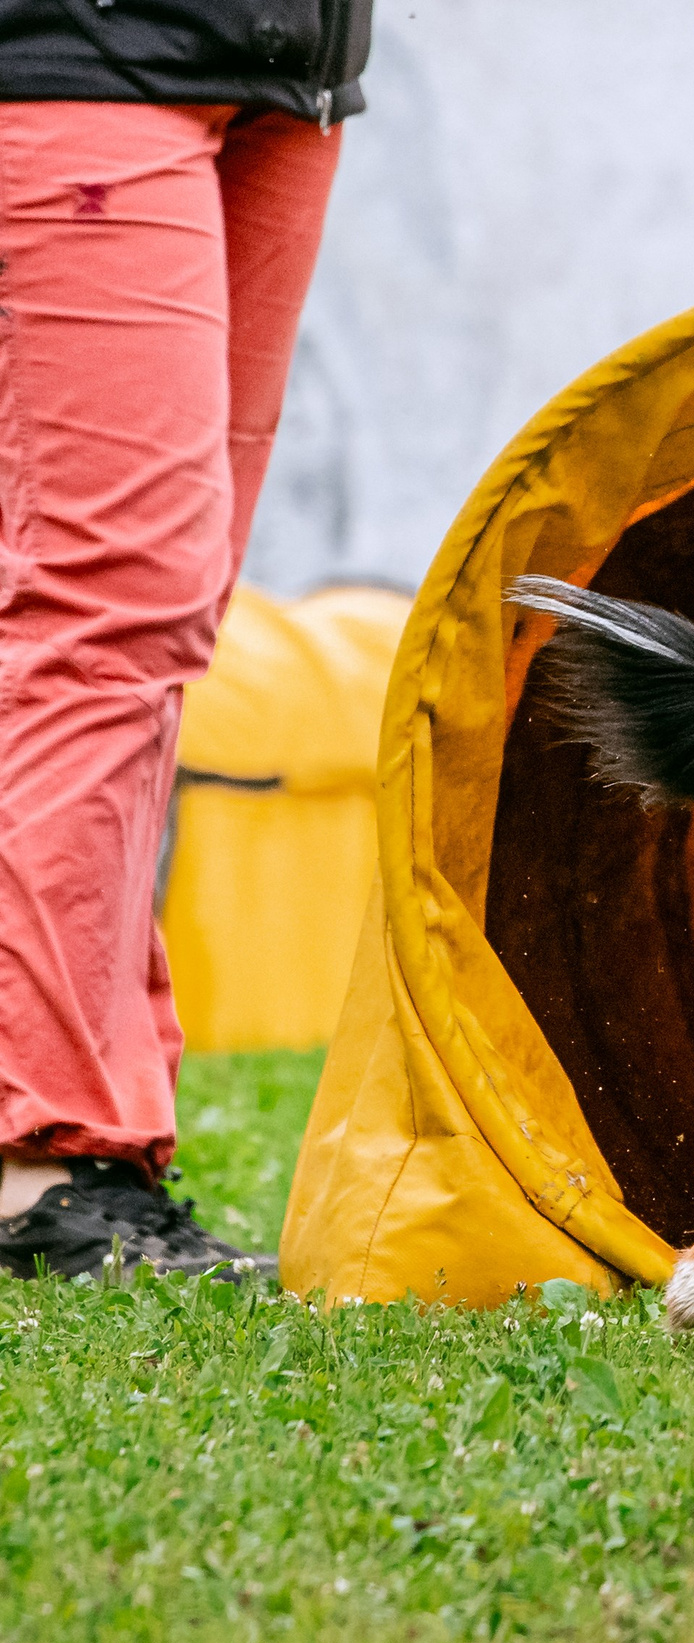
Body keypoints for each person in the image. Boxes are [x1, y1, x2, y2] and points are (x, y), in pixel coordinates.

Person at [0, 2, 370, 1279]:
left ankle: (89, 1137)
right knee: (104, 606)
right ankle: (40, 1159)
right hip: (74, 52)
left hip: (286, 68)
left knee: (164, 620)